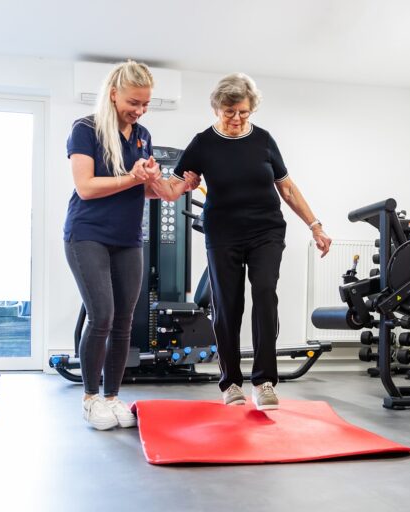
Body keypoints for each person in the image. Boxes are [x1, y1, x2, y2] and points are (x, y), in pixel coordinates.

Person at [151, 73, 331, 410]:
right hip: (222, 233)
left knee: (265, 294)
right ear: (217, 108)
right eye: (229, 111)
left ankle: (264, 382)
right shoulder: (203, 143)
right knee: (228, 304)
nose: (236, 119)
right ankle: (231, 382)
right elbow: (172, 189)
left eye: (243, 112)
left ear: (252, 110)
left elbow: (287, 188)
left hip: (266, 231)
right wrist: (163, 182)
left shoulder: (263, 140)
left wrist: (315, 225)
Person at [64, 60, 199, 430]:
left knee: (124, 322)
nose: (139, 110)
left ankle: (112, 397)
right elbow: (87, 188)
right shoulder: (85, 129)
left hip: (127, 238)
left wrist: (178, 186)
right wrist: (132, 177)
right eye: (133, 102)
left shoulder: (142, 135)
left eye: (145, 104)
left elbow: (153, 190)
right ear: (113, 93)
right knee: (102, 316)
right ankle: (91, 398)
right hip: (86, 234)